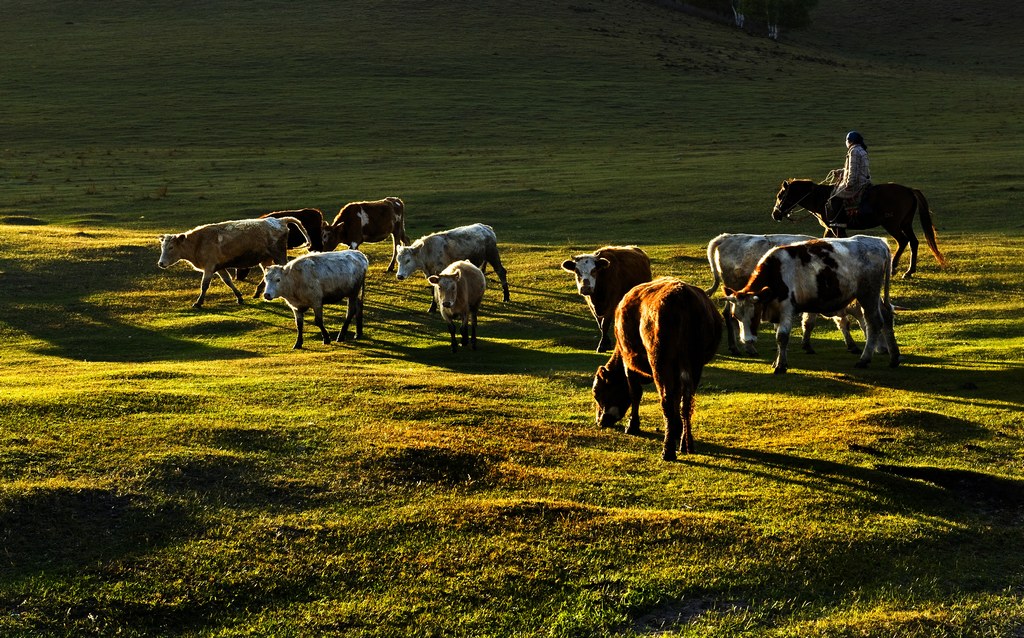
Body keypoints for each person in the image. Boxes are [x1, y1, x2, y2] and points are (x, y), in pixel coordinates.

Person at [826, 131, 872, 227]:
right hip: (864, 180)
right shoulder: (861, 149)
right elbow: (853, 168)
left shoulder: (853, 151)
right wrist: (840, 172)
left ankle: (839, 222)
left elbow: (853, 169)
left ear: (849, 141)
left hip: (857, 183)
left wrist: (849, 183)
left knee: (834, 196)